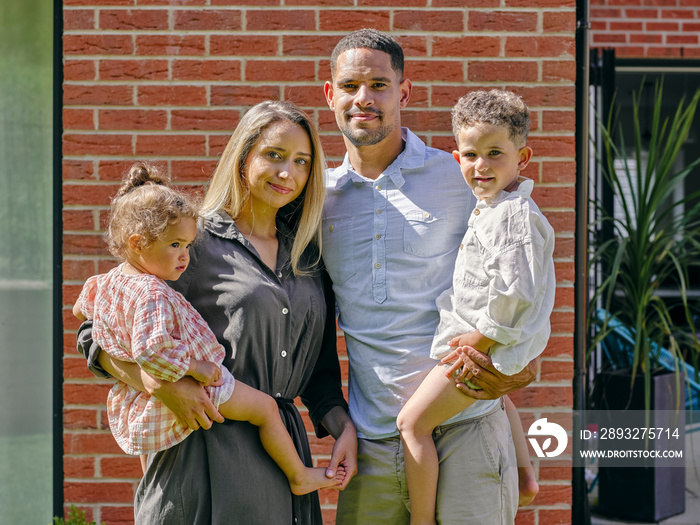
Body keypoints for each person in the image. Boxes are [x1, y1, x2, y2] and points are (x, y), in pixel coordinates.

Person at [77, 100, 357, 524]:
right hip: (201, 455)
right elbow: (97, 331)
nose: (288, 173)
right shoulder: (191, 242)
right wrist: (159, 384)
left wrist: (344, 427)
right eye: (274, 155)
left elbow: (318, 374)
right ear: (243, 156)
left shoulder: (308, 256)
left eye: (301, 162)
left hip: (281, 459)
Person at [322, 29, 539, 524]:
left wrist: (520, 363)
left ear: (404, 91)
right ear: (330, 94)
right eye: (350, 85)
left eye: (379, 84)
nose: (364, 98)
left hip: (467, 428)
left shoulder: (461, 177)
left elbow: (517, 275)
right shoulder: (319, 198)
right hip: (372, 439)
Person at [396, 90, 555, 524]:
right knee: (500, 402)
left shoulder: (512, 215)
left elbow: (517, 289)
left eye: (494, 153)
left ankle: (422, 518)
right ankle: (525, 478)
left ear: (522, 158)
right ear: (456, 157)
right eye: (470, 154)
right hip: (489, 345)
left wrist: (480, 336)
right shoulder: (494, 208)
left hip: (483, 346)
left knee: (412, 424)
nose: (481, 165)